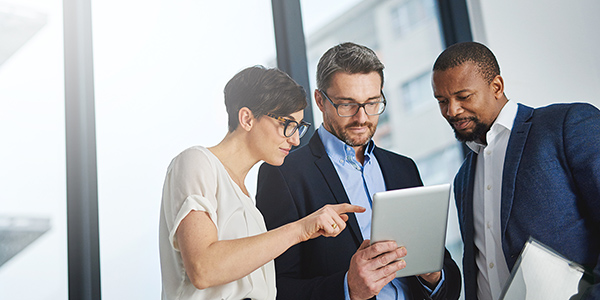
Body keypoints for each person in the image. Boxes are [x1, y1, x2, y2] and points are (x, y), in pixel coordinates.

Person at [256, 42, 461, 300]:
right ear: (320, 101)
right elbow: (273, 289)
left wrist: (433, 276)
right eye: (347, 105)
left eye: (372, 103)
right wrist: (347, 289)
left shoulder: (403, 168)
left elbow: (448, 280)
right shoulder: (284, 175)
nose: (362, 117)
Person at [159, 66, 366, 300]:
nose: (296, 139)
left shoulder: (249, 203)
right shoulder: (197, 161)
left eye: (299, 127)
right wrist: (300, 229)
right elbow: (203, 268)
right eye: (287, 124)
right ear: (247, 118)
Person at [431, 41, 600, 300]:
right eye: (442, 101)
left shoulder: (566, 125)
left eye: (463, 97)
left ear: (496, 86)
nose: (452, 110)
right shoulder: (463, 178)